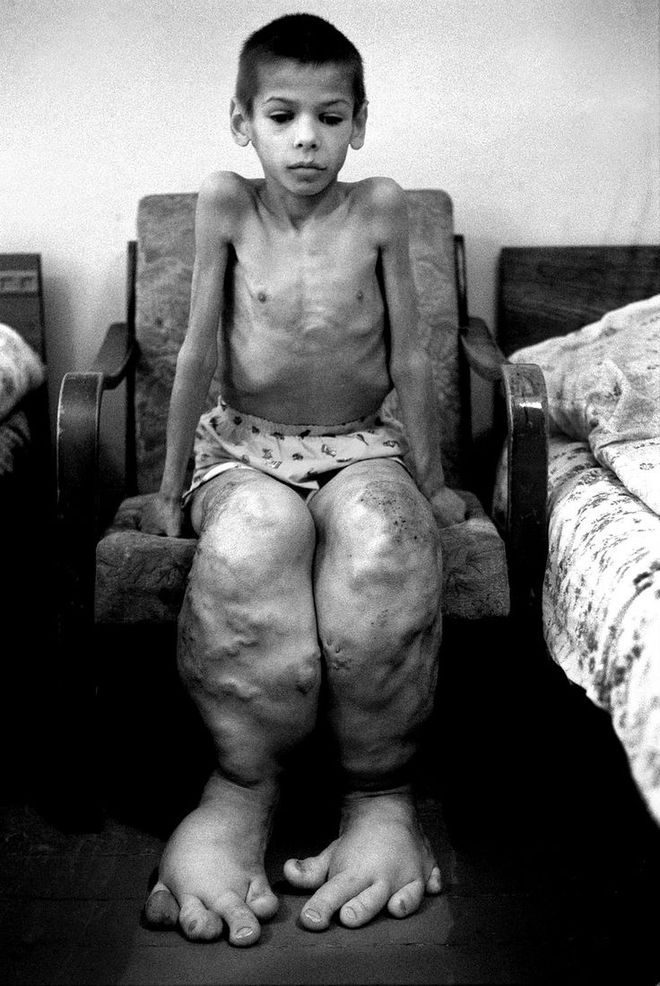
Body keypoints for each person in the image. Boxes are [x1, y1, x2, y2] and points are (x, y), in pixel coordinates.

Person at [141, 12, 466, 946]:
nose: (306, 140)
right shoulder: (225, 202)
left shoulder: (381, 206)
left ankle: (381, 795)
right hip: (246, 445)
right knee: (254, 539)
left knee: (385, 540)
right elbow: (197, 350)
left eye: (330, 117)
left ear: (359, 123)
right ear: (242, 122)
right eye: (281, 116)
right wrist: (167, 484)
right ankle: (239, 790)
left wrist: (432, 480)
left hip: (362, 443)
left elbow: (411, 355)